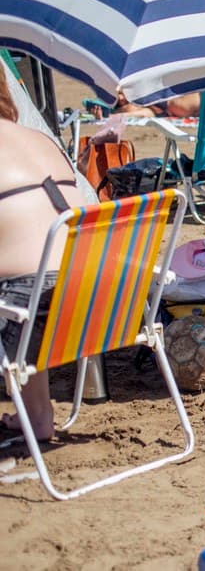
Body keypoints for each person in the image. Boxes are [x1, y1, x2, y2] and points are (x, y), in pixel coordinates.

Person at [0, 78, 87, 443]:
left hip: (26, 313)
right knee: (28, 276)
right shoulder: (40, 140)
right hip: (91, 302)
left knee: (20, 287)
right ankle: (38, 417)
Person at [88, 91, 201, 119]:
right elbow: (142, 114)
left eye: (120, 93)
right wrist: (108, 117)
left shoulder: (138, 85)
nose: (121, 98)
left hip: (204, 96)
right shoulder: (138, 108)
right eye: (118, 102)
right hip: (202, 105)